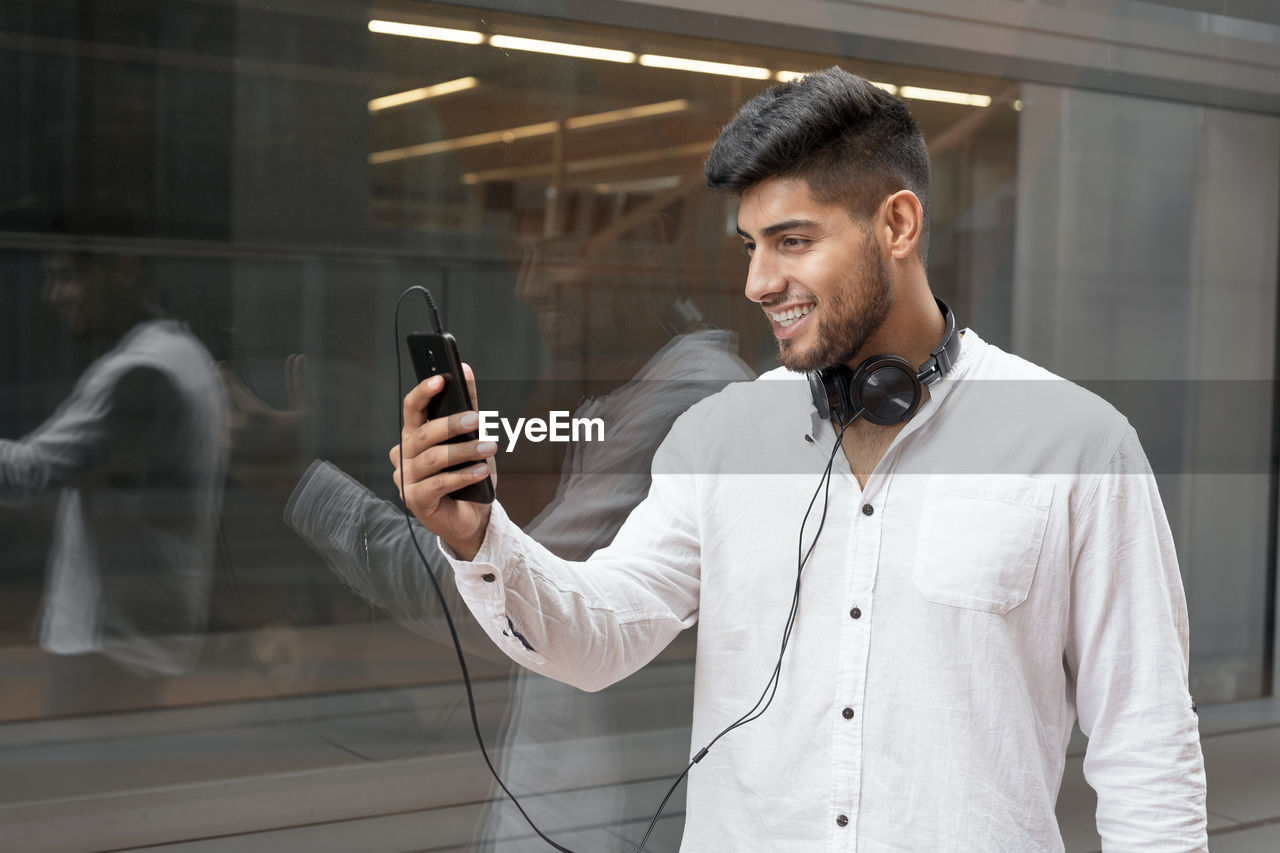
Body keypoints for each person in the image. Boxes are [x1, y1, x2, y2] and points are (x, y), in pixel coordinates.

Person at [395, 66, 1209, 850]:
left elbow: (1148, 747)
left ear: (897, 224)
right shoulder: (720, 438)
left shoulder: (1077, 443)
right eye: (751, 244)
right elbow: (600, 634)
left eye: (791, 240)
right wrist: (479, 537)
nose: (757, 280)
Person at [226, 223, 754, 849]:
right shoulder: (620, 393)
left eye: (554, 252)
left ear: (647, 251)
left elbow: (513, 606)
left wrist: (302, 482)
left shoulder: (692, 395)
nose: (531, 288)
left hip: (603, 818)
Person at [0, 251, 226, 714]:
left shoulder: (138, 373)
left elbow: (24, 474)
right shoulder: (183, 352)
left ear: (122, 269)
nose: (53, 295)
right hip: (139, 638)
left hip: (105, 648)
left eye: (66, 277)